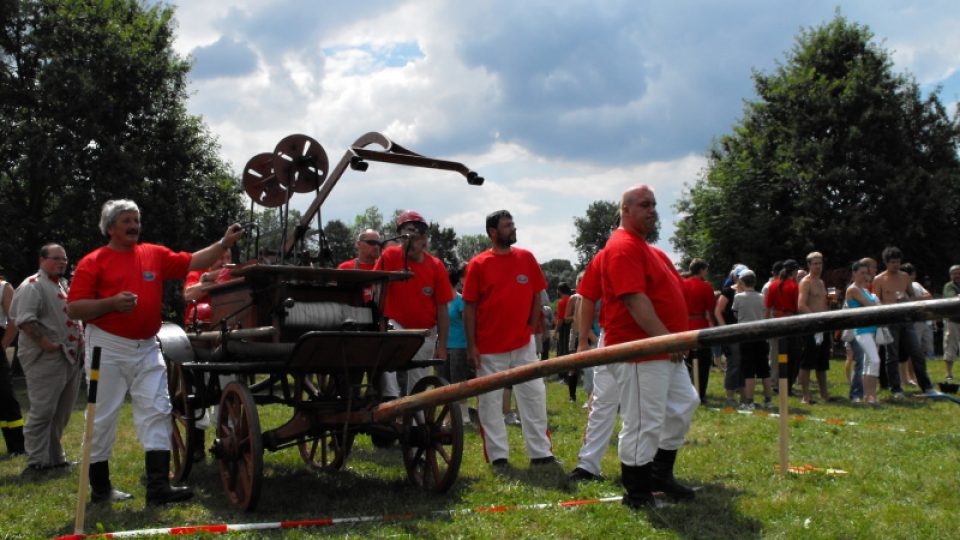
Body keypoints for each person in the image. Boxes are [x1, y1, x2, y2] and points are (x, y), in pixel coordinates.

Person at [66, 199, 244, 504]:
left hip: (147, 346)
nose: (134, 225)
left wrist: (223, 243)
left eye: (136, 220)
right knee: (102, 416)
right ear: (110, 228)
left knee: (158, 409)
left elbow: (193, 261)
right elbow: (74, 307)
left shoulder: (154, 254)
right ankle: (100, 488)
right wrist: (110, 304)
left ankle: (158, 487)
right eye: (126, 221)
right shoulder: (93, 262)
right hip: (106, 347)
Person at [591, 184, 698, 508]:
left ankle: (658, 475)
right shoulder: (623, 246)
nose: (652, 209)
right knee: (643, 421)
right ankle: (637, 495)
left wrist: (672, 340)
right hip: (638, 350)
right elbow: (635, 301)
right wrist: (668, 337)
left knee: (684, 404)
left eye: (654, 204)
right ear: (625, 210)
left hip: (664, 349)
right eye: (644, 204)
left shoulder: (647, 248)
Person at [463, 209, 556, 467]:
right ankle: (498, 456)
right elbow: (469, 307)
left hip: (523, 343)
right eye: (507, 226)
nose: (513, 229)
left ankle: (541, 453)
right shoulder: (478, 264)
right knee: (491, 403)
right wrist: (472, 346)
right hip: (489, 348)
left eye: (513, 224)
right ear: (493, 232)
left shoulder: (526, 258)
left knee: (534, 396)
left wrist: (531, 323)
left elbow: (537, 291)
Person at [7, 244, 83, 476]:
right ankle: (36, 462)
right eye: (56, 258)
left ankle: (55, 457)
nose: (62, 262)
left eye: (64, 259)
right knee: (43, 410)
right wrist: (45, 344)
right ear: (42, 260)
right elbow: (24, 320)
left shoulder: (61, 285)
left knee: (61, 411)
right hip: (46, 357)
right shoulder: (33, 285)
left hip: (69, 356)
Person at [373, 211, 451, 397]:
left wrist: (442, 345)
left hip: (425, 330)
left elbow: (442, 308)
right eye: (409, 233)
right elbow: (376, 288)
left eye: (421, 235)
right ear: (401, 236)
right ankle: (391, 403)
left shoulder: (436, 265)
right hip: (396, 324)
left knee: (419, 380)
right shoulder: (390, 255)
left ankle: (417, 420)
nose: (416, 239)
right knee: (388, 368)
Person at [872, 247, 933, 395]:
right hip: (889, 320)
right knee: (891, 356)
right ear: (886, 262)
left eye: (898, 262)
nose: (896, 265)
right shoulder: (879, 279)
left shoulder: (905, 277)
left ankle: (926, 386)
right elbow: (875, 300)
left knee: (916, 352)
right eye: (893, 262)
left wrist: (907, 299)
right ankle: (895, 387)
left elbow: (912, 296)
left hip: (906, 319)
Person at [732, 270, 772, 409]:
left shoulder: (739, 297)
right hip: (760, 334)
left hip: (745, 334)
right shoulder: (761, 297)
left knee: (748, 370)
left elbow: (735, 314)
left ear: (742, 282)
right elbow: (764, 311)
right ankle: (768, 399)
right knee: (764, 369)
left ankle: (749, 401)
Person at [797, 252, 832, 404]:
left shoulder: (821, 282)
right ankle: (806, 396)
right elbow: (801, 305)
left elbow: (822, 303)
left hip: (823, 325)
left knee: (822, 363)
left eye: (820, 263)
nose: (818, 266)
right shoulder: (806, 282)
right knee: (807, 362)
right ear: (809, 265)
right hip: (811, 326)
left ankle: (824, 395)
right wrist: (815, 319)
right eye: (815, 264)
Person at [846, 261, 882, 406]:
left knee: (868, 363)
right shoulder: (853, 289)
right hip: (862, 330)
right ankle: (870, 394)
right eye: (861, 273)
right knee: (875, 361)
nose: (864, 276)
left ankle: (869, 395)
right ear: (854, 273)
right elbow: (871, 306)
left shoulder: (866, 290)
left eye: (866, 273)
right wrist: (878, 305)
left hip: (872, 329)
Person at [442, 265, 473, 424]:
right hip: (444, 347)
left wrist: (470, 347)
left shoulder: (460, 301)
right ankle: (449, 416)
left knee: (458, 381)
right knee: (445, 383)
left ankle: (464, 416)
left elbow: (468, 324)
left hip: (459, 346)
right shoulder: (441, 301)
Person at [682, 259, 717, 404]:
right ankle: (700, 394)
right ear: (701, 270)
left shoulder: (682, 284)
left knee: (686, 361)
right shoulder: (706, 286)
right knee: (703, 362)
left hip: (685, 323)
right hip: (700, 324)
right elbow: (711, 308)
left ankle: (685, 391)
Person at [764, 259, 802, 394]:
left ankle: (775, 382)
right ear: (795, 271)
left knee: (775, 354)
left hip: (775, 321)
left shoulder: (773, 285)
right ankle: (787, 382)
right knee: (788, 354)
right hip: (790, 321)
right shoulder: (793, 286)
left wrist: (766, 325)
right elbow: (796, 307)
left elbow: (768, 308)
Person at [0, 272, 25, 458]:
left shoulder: (4, 287)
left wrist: (3, 345)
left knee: (4, 394)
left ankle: (17, 445)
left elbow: (14, 320)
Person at [942, 265, 960, 381]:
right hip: (953, 321)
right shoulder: (949, 286)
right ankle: (949, 373)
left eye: (959, 273)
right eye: (955, 273)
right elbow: (952, 298)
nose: (957, 275)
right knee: (950, 346)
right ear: (950, 275)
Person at [554, 283, 572, 357]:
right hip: (572, 327)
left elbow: (560, 320)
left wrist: (555, 332)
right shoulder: (572, 299)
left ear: (559, 291)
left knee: (563, 350)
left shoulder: (561, 302)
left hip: (564, 329)